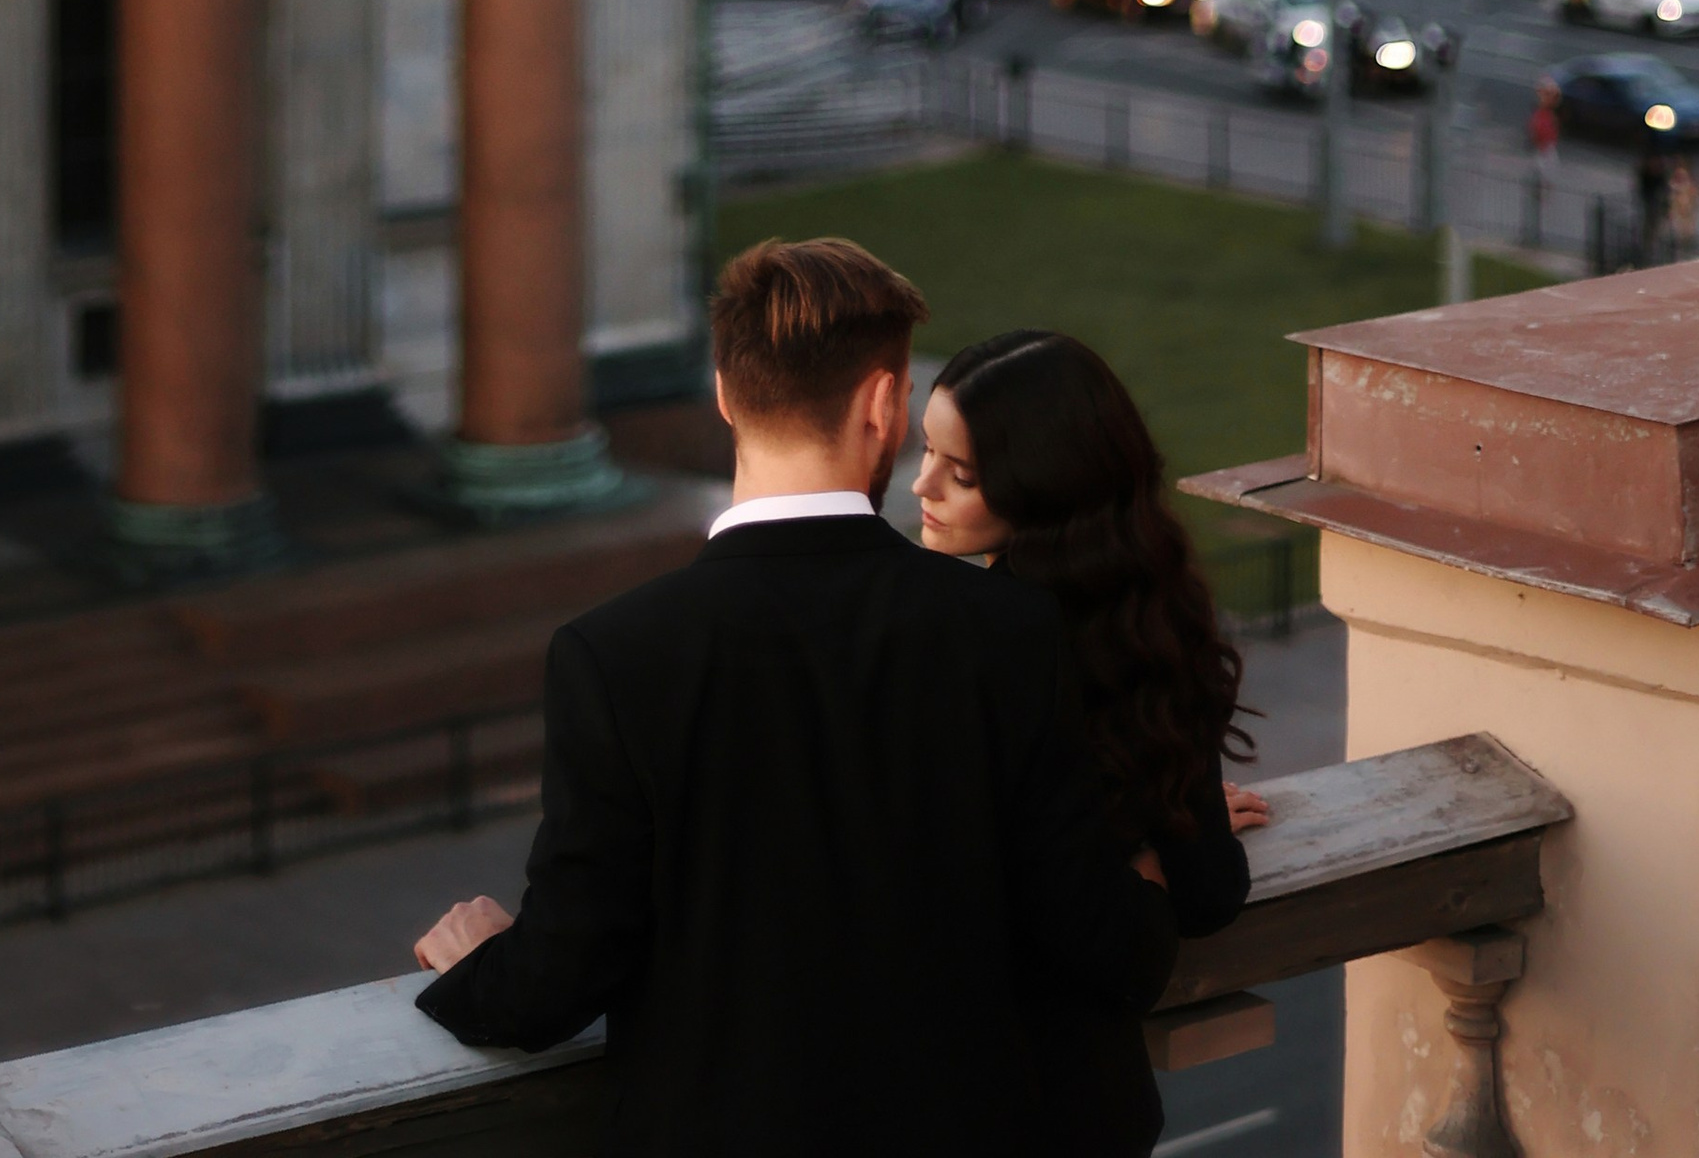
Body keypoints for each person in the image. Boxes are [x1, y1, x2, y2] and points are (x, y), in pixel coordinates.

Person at [413, 235, 1181, 1154]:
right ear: (885, 403)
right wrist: (1147, 864)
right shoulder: (1004, 628)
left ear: (726, 395)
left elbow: (557, 981)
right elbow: (1104, 945)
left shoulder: (612, 655)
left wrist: (476, 965)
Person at [915, 332, 1263, 1154]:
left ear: (1046, 487)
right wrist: (1153, 850)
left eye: (960, 474)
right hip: (1083, 1106)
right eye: (925, 453)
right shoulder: (1145, 629)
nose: (922, 486)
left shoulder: (957, 641)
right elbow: (1208, 893)